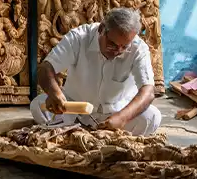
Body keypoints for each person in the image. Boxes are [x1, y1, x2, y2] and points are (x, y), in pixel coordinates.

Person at [31, 7, 161, 136]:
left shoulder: (138, 48)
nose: (118, 51)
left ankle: (74, 134)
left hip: (116, 113)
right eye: (112, 44)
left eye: (124, 47)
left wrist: (122, 118)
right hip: (73, 109)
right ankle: (80, 131)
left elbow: (147, 92)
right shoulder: (79, 37)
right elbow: (46, 67)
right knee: (38, 105)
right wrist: (55, 93)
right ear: (101, 29)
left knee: (152, 117)